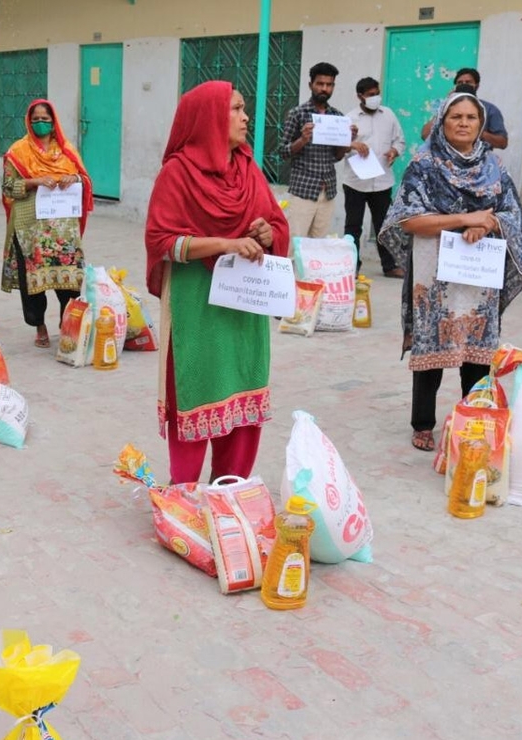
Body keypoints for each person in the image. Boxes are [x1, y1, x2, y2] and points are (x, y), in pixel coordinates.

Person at [145, 81, 290, 483]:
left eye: (245, 109)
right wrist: (224, 243)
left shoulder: (247, 168)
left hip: (245, 303)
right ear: (209, 117)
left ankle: (231, 488)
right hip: (197, 304)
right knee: (194, 389)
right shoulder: (177, 174)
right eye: (236, 109)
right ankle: (186, 494)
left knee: (244, 384)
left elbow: (276, 223)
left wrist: (265, 233)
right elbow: (161, 240)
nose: (246, 118)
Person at [379, 91, 522, 452]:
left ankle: (472, 416)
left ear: (481, 124)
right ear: (442, 123)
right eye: (455, 117)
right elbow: (407, 219)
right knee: (432, 344)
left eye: (471, 118)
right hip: (434, 273)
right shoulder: (424, 165)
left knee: (477, 348)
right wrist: (465, 220)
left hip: (479, 271)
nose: (463, 123)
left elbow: (512, 216)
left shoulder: (495, 168)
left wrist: (487, 225)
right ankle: (423, 423)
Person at [0, 98, 93, 348]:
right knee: (33, 284)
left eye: (46, 120)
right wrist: (35, 181)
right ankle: (39, 326)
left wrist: (72, 177)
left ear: (54, 124)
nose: (41, 123)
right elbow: (8, 188)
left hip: (63, 232)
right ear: (29, 122)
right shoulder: (18, 151)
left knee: (70, 281)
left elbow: (84, 180)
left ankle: (67, 325)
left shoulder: (66, 150)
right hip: (31, 230)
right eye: (36, 119)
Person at [279, 61, 356, 238]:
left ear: (333, 87)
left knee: (318, 247)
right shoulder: (297, 114)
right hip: (303, 191)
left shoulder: (337, 117)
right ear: (310, 85)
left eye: (329, 85)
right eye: (320, 84)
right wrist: (303, 140)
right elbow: (282, 151)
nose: (324, 88)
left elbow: (336, 157)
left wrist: (347, 141)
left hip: (327, 191)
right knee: (295, 245)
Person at [342, 76, 406, 277]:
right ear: (360, 96)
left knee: (384, 225)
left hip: (382, 180)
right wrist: (352, 143)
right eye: (371, 95)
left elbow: (400, 141)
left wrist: (394, 151)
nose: (375, 97)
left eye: (377, 93)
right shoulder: (350, 118)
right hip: (355, 181)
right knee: (353, 225)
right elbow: (338, 147)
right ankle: (351, 266)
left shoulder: (389, 115)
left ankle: (389, 266)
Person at [420, 68, 508, 150]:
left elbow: (502, 143)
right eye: (460, 83)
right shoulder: (447, 107)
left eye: (468, 82)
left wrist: (477, 133)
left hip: (478, 161)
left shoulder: (490, 110)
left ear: (476, 86)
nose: (464, 85)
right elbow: (425, 135)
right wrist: (446, 102)